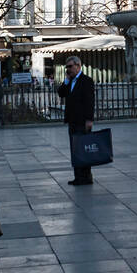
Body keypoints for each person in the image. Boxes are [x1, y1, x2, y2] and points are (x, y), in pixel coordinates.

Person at [57, 56, 97, 185]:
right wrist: (66, 80)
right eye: (66, 67)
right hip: (72, 120)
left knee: (83, 148)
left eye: (70, 66)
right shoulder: (70, 81)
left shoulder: (86, 81)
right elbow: (61, 93)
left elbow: (90, 101)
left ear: (78, 66)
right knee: (75, 149)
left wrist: (89, 119)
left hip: (82, 120)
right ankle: (78, 176)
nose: (68, 69)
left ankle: (86, 176)